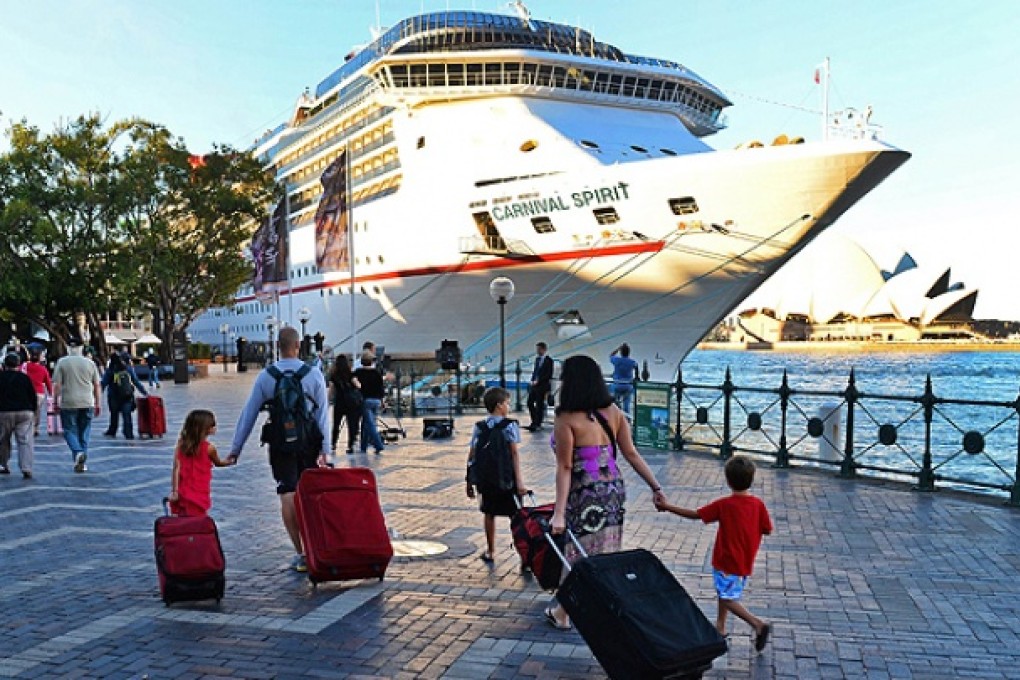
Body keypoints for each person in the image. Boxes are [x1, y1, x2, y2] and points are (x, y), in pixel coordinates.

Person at [545, 354, 666, 630]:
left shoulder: (566, 418)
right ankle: (594, 606)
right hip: (613, 489)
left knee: (578, 552)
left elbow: (565, 467)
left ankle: (564, 612)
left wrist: (559, 513)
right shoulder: (613, 412)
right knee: (605, 549)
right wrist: (656, 487)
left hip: (584, 492)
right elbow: (632, 454)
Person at [227, 326, 329, 572]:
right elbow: (323, 415)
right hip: (309, 443)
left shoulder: (266, 376)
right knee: (311, 494)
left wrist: (235, 448)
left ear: (278, 348)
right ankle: (317, 547)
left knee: (288, 494)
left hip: (280, 442)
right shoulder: (313, 375)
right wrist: (325, 449)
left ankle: (301, 552)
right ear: (298, 346)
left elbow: (249, 413)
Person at [655, 455, 773, 651]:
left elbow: (696, 515)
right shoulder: (758, 505)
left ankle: (757, 624)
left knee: (728, 598)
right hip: (745, 559)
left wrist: (667, 507)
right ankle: (720, 626)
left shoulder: (724, 505)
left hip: (726, 560)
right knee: (724, 591)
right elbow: (767, 529)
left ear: (727, 481)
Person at [465, 387, 527, 562]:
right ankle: (523, 555)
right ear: (499, 405)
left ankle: (491, 550)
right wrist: (520, 482)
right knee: (515, 516)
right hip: (507, 477)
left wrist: (469, 481)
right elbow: (514, 453)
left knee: (489, 513)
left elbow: (472, 454)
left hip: (487, 480)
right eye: (507, 403)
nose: (509, 406)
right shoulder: (510, 426)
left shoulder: (480, 427)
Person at [168, 409, 234, 517]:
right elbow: (218, 463)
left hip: (183, 489)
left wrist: (175, 491)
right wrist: (229, 461)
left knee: (183, 518)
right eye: (213, 425)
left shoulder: (181, 445)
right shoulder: (209, 448)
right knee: (198, 518)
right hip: (200, 490)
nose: (215, 427)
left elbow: (176, 468)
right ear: (205, 429)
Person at [52, 338, 102, 473]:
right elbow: (97, 385)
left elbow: (57, 385)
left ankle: (78, 452)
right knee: (84, 432)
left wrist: (55, 401)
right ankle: (81, 461)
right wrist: (98, 403)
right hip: (87, 402)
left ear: (68, 347)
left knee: (69, 430)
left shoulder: (62, 362)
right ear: (82, 347)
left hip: (68, 402)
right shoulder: (90, 363)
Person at [0, 352, 37, 478]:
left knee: (3, 440)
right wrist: (34, 411)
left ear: (4, 365)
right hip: (24, 412)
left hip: (4, 412)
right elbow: (32, 396)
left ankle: (3, 464)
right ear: (18, 365)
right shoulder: (24, 378)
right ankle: (26, 468)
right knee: (25, 441)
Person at [100, 352, 148, 439]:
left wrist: (97, 394)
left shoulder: (110, 370)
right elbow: (136, 381)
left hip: (113, 396)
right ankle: (128, 433)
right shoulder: (128, 369)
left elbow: (103, 383)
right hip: (127, 396)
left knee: (114, 415)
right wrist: (145, 393)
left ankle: (112, 431)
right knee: (127, 415)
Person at [328, 354, 361, 454]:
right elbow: (358, 386)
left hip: (339, 402)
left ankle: (333, 444)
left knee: (336, 424)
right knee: (351, 425)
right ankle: (350, 445)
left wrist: (329, 401)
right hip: (351, 403)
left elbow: (331, 390)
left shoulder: (334, 376)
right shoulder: (351, 374)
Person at [354, 352, 385, 454]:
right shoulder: (377, 373)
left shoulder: (358, 372)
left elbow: (353, 381)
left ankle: (378, 444)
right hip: (376, 400)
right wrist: (382, 401)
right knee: (367, 423)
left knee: (370, 424)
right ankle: (363, 446)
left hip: (366, 400)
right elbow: (381, 389)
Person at [23, 350, 53, 437]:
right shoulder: (43, 369)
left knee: (28, 410)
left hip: (27, 392)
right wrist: (51, 393)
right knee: (37, 411)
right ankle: (35, 428)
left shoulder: (24, 366)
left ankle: (27, 427)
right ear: (39, 359)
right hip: (39, 393)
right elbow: (48, 382)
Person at [526, 341, 553, 432]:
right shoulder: (537, 359)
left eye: (539, 349)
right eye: (537, 349)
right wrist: (532, 380)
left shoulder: (549, 360)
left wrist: (538, 381)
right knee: (529, 402)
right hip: (535, 385)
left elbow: (549, 374)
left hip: (543, 386)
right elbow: (535, 371)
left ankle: (537, 423)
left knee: (539, 404)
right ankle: (534, 421)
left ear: (544, 349)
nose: (537, 351)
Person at [609, 343, 640, 416]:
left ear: (621, 352)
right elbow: (636, 366)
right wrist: (636, 377)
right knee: (627, 405)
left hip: (617, 384)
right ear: (629, 352)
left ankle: (615, 417)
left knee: (615, 404)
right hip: (628, 385)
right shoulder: (631, 362)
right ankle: (627, 420)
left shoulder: (617, 360)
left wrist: (618, 348)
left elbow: (611, 355)